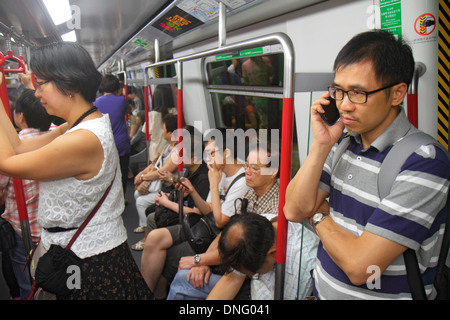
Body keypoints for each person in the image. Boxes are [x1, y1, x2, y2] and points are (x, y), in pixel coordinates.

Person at [284, 29, 450, 300]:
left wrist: (318, 216)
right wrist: (321, 146)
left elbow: (361, 267)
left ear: (397, 94)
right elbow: (292, 209)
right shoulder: (342, 145)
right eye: (338, 91)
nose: (344, 106)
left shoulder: (424, 161)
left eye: (358, 93)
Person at [0, 42, 151, 299]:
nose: (36, 93)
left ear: (69, 84)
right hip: (78, 253)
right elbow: (17, 146)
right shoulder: (79, 124)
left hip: (90, 264)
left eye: (42, 84)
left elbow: (6, 162)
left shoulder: (82, 139)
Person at [140, 128, 250, 299]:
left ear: (226, 153)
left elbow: (220, 222)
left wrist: (214, 184)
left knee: (170, 256)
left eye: (212, 154)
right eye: (207, 155)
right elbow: (207, 209)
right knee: (155, 237)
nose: (208, 160)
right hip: (206, 225)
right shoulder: (218, 172)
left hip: (216, 234)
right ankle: (145, 293)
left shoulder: (240, 181)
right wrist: (192, 192)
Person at [0, 89, 52, 299]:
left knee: (27, 283)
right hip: (55, 228)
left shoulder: (11, 148)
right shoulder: (58, 136)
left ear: (20, 116)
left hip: (25, 230)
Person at [200, 212, 319, 300]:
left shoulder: (306, 264)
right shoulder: (254, 230)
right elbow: (232, 279)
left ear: (272, 254)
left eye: (254, 273)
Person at [131, 114, 178, 250]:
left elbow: (162, 171)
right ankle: (143, 224)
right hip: (160, 185)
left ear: (170, 132)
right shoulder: (167, 147)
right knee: (137, 195)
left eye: (164, 129)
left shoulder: (177, 151)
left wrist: (143, 178)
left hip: (168, 188)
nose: (162, 132)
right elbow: (154, 164)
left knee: (141, 201)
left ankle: (147, 237)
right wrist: (141, 174)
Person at [94, 74, 131, 198]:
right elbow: (129, 113)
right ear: (117, 88)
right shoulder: (121, 101)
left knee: (108, 173)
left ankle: (109, 199)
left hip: (105, 143)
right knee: (123, 173)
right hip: (121, 142)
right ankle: (122, 198)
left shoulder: (95, 103)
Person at [142, 85, 174, 162]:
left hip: (155, 150)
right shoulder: (174, 112)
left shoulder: (152, 115)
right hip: (170, 149)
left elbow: (147, 133)